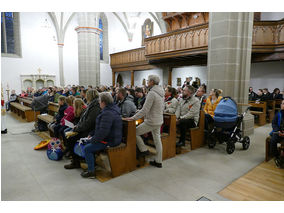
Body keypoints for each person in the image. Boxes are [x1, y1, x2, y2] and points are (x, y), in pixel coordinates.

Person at [125, 75, 165, 168]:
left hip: (152, 121)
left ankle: (143, 150)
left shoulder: (152, 93)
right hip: (158, 119)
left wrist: (133, 118)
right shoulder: (160, 92)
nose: (147, 82)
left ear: (152, 82)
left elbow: (145, 109)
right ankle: (159, 161)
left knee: (134, 132)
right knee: (157, 140)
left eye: (148, 81)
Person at [81, 92, 123, 178]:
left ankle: (91, 172)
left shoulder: (108, 113)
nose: (99, 103)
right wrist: (92, 134)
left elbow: (103, 132)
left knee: (87, 148)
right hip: (109, 137)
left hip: (111, 140)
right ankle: (92, 165)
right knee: (85, 143)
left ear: (103, 102)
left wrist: (92, 139)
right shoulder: (109, 110)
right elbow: (101, 127)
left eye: (99, 101)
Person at [64, 89, 101, 169]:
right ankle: (76, 159)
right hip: (85, 129)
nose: (85, 97)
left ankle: (76, 161)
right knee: (69, 136)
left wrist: (77, 128)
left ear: (90, 96)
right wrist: (77, 126)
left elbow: (89, 122)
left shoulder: (95, 106)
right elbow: (84, 119)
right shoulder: (92, 104)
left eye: (87, 95)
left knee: (71, 139)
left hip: (90, 131)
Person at [270, 100, 284, 168]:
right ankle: (276, 156)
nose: (282, 105)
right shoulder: (278, 113)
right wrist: (278, 131)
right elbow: (274, 123)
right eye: (282, 104)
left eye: (283, 104)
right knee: (273, 140)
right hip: (278, 132)